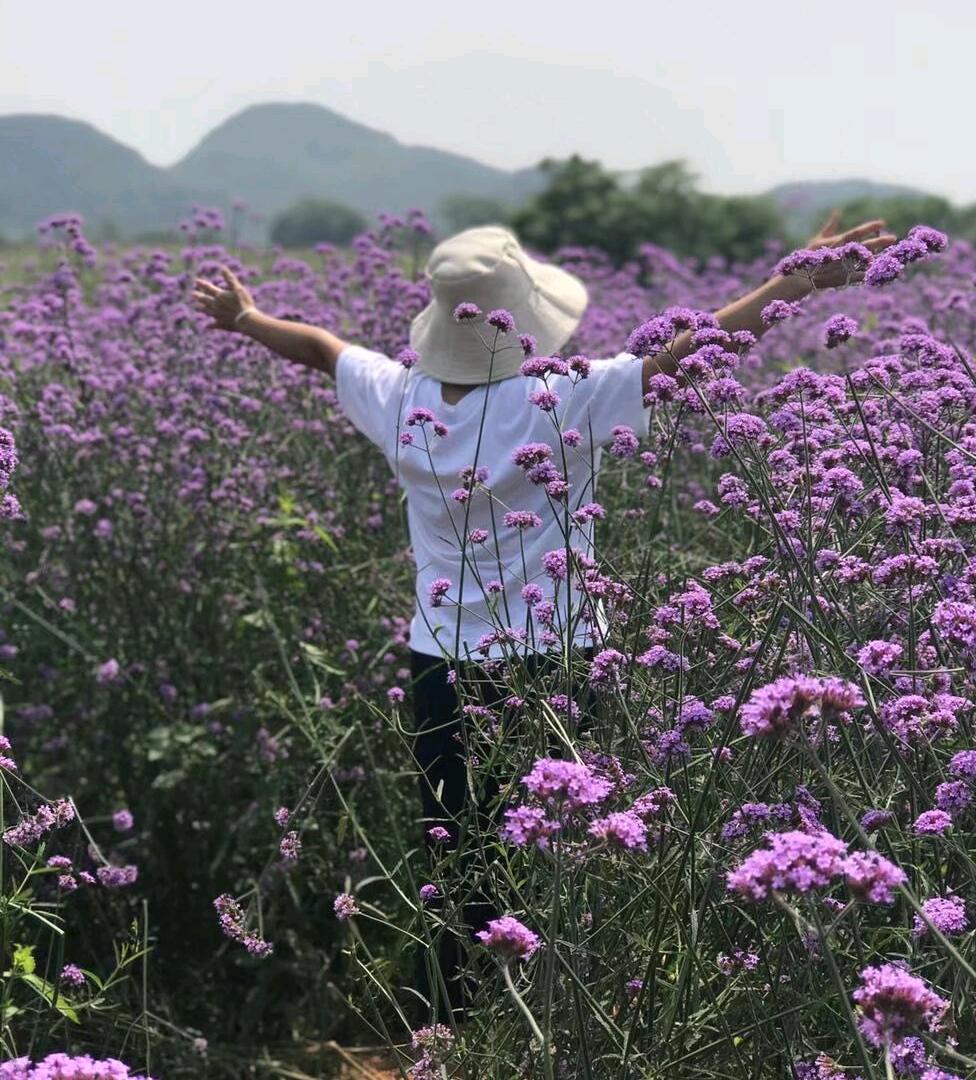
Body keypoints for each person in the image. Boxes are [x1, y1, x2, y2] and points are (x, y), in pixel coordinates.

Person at [190, 213, 894, 1016]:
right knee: (558, 853)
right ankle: (546, 1021)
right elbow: (688, 352)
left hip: (441, 662)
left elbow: (322, 347)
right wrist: (792, 285)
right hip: (555, 660)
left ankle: (456, 1020)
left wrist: (245, 317)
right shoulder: (563, 398)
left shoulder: (403, 399)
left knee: (457, 847)